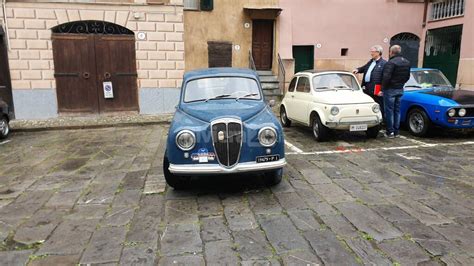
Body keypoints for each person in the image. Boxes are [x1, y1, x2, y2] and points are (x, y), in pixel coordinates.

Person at [381, 45, 411, 138]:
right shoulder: (406, 62)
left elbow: (386, 77)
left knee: (389, 111)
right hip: (400, 89)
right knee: (397, 111)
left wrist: (383, 88)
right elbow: (407, 76)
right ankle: (396, 131)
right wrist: (401, 84)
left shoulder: (391, 63)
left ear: (391, 52)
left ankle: (390, 132)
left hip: (390, 89)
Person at [352, 45, 386, 113]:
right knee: (368, 104)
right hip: (367, 87)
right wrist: (358, 70)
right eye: (371, 51)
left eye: (372, 52)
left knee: (378, 104)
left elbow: (385, 78)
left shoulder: (384, 63)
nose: (371, 53)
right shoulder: (371, 61)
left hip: (377, 88)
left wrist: (381, 90)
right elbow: (364, 68)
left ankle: (381, 120)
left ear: (378, 52)